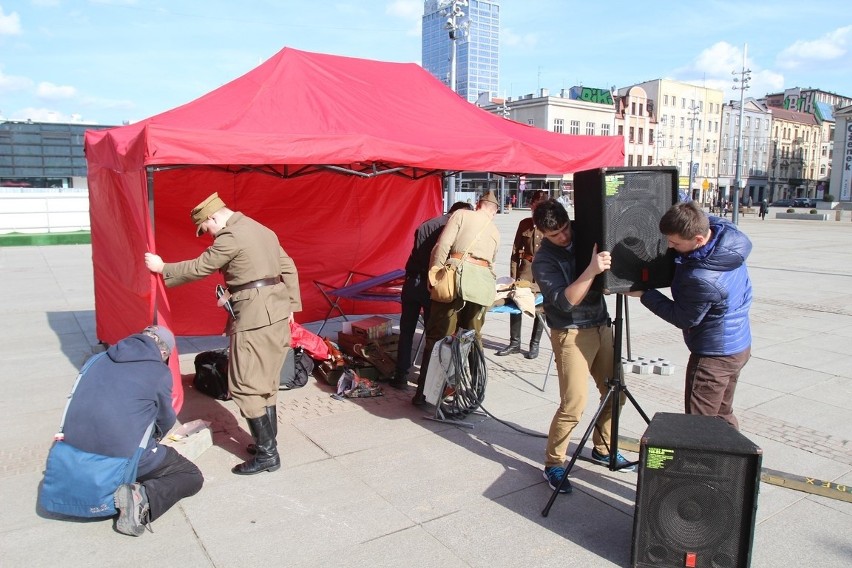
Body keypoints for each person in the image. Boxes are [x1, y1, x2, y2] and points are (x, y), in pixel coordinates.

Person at [145, 192, 302, 475]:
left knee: (244, 384)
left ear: (213, 217)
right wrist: (291, 304)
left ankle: (268, 455)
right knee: (265, 383)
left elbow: (199, 267)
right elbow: (288, 267)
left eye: (206, 229)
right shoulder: (260, 229)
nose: (209, 235)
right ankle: (267, 442)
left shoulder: (230, 236)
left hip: (254, 318)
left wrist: (162, 268)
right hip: (276, 313)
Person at [531, 200, 634, 495]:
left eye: (565, 229)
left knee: (616, 392)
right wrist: (591, 269)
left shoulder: (584, 232)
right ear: (542, 234)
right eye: (555, 235)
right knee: (574, 403)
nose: (564, 237)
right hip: (571, 333)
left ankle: (602, 448)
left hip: (601, 325)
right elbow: (565, 302)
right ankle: (554, 463)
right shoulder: (543, 260)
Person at [62, 326, 203, 536]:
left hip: (73, 450)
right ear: (164, 353)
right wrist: (154, 441)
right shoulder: (157, 371)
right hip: (120, 454)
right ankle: (142, 497)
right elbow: (165, 419)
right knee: (191, 475)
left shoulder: (98, 359)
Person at [627, 201, 752, 430]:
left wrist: (645, 294)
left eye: (675, 242)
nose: (670, 246)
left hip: (714, 356)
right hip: (738, 345)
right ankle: (732, 461)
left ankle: (703, 464)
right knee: (723, 414)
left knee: (699, 425)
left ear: (698, 239)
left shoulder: (702, 277)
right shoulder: (725, 232)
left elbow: (683, 317)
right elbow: (697, 215)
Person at [412, 192, 501, 406]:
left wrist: (434, 274)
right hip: (480, 288)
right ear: (495, 211)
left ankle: (424, 395)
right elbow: (493, 265)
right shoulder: (496, 231)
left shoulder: (462, 214)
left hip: (455, 281)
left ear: (478, 204)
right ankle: (476, 392)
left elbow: (442, 246)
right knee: (472, 339)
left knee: (438, 338)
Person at [389, 201, 474, 389]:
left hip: (412, 282)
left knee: (407, 330)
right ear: (460, 214)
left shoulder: (427, 224)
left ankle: (401, 375)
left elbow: (417, 251)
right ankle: (426, 381)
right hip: (433, 284)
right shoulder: (454, 229)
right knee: (433, 334)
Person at [495, 189, 547, 359]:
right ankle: (515, 343)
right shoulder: (524, 223)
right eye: (535, 206)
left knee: (540, 308)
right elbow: (515, 250)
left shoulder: (549, 224)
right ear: (531, 205)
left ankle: (535, 344)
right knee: (516, 302)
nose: (536, 210)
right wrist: (513, 274)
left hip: (543, 272)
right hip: (525, 270)